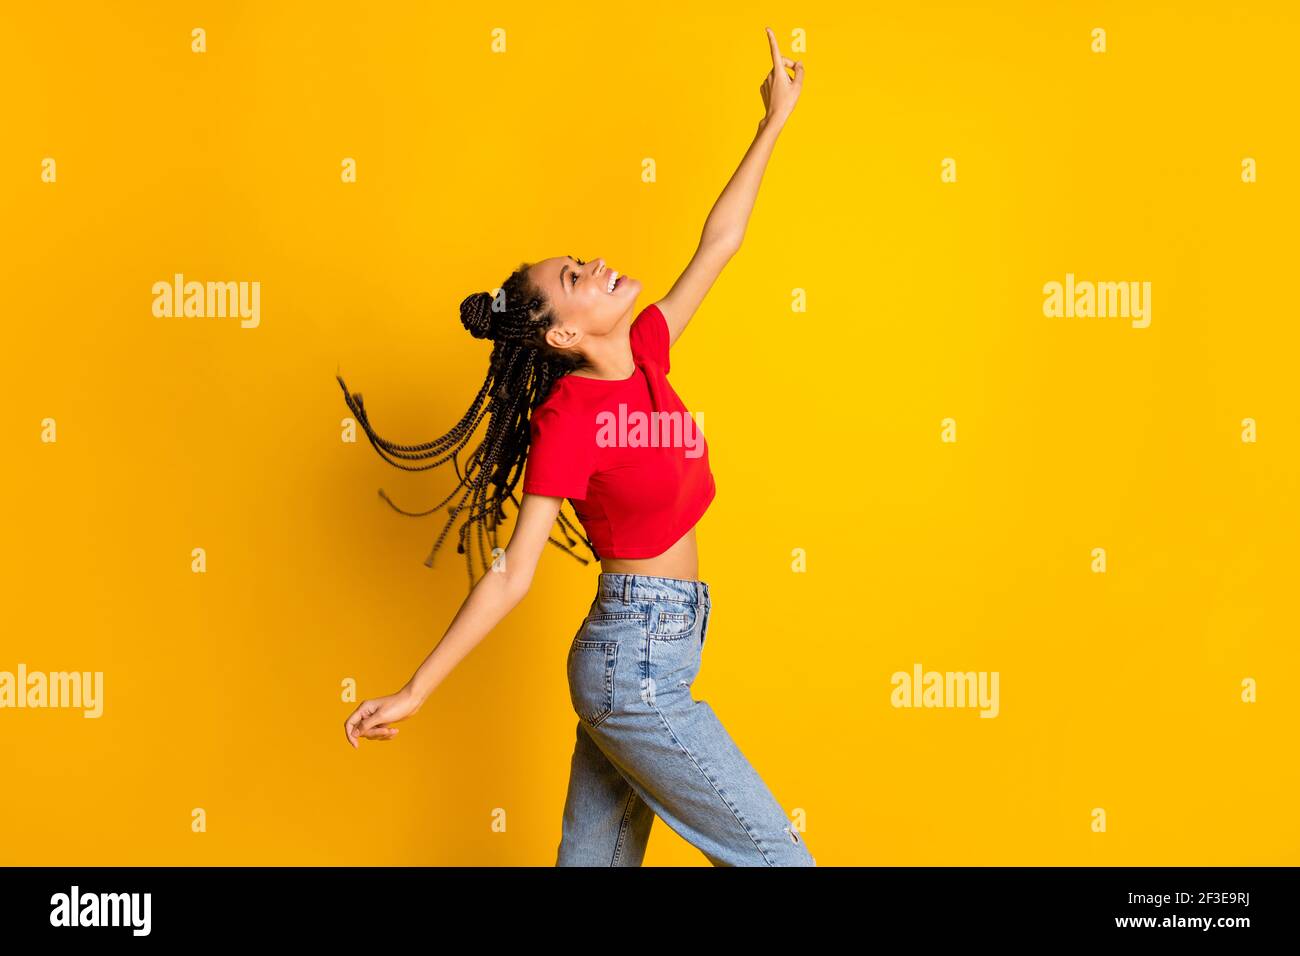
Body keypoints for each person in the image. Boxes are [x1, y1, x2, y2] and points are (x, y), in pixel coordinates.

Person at [340, 27, 811, 866]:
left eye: (582, 262)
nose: (596, 265)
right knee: (778, 857)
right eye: (575, 278)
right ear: (559, 334)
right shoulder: (570, 419)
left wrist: (772, 122)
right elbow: (513, 574)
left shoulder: (652, 351)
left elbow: (721, 244)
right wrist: (417, 690)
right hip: (634, 665)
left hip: (652, 653)